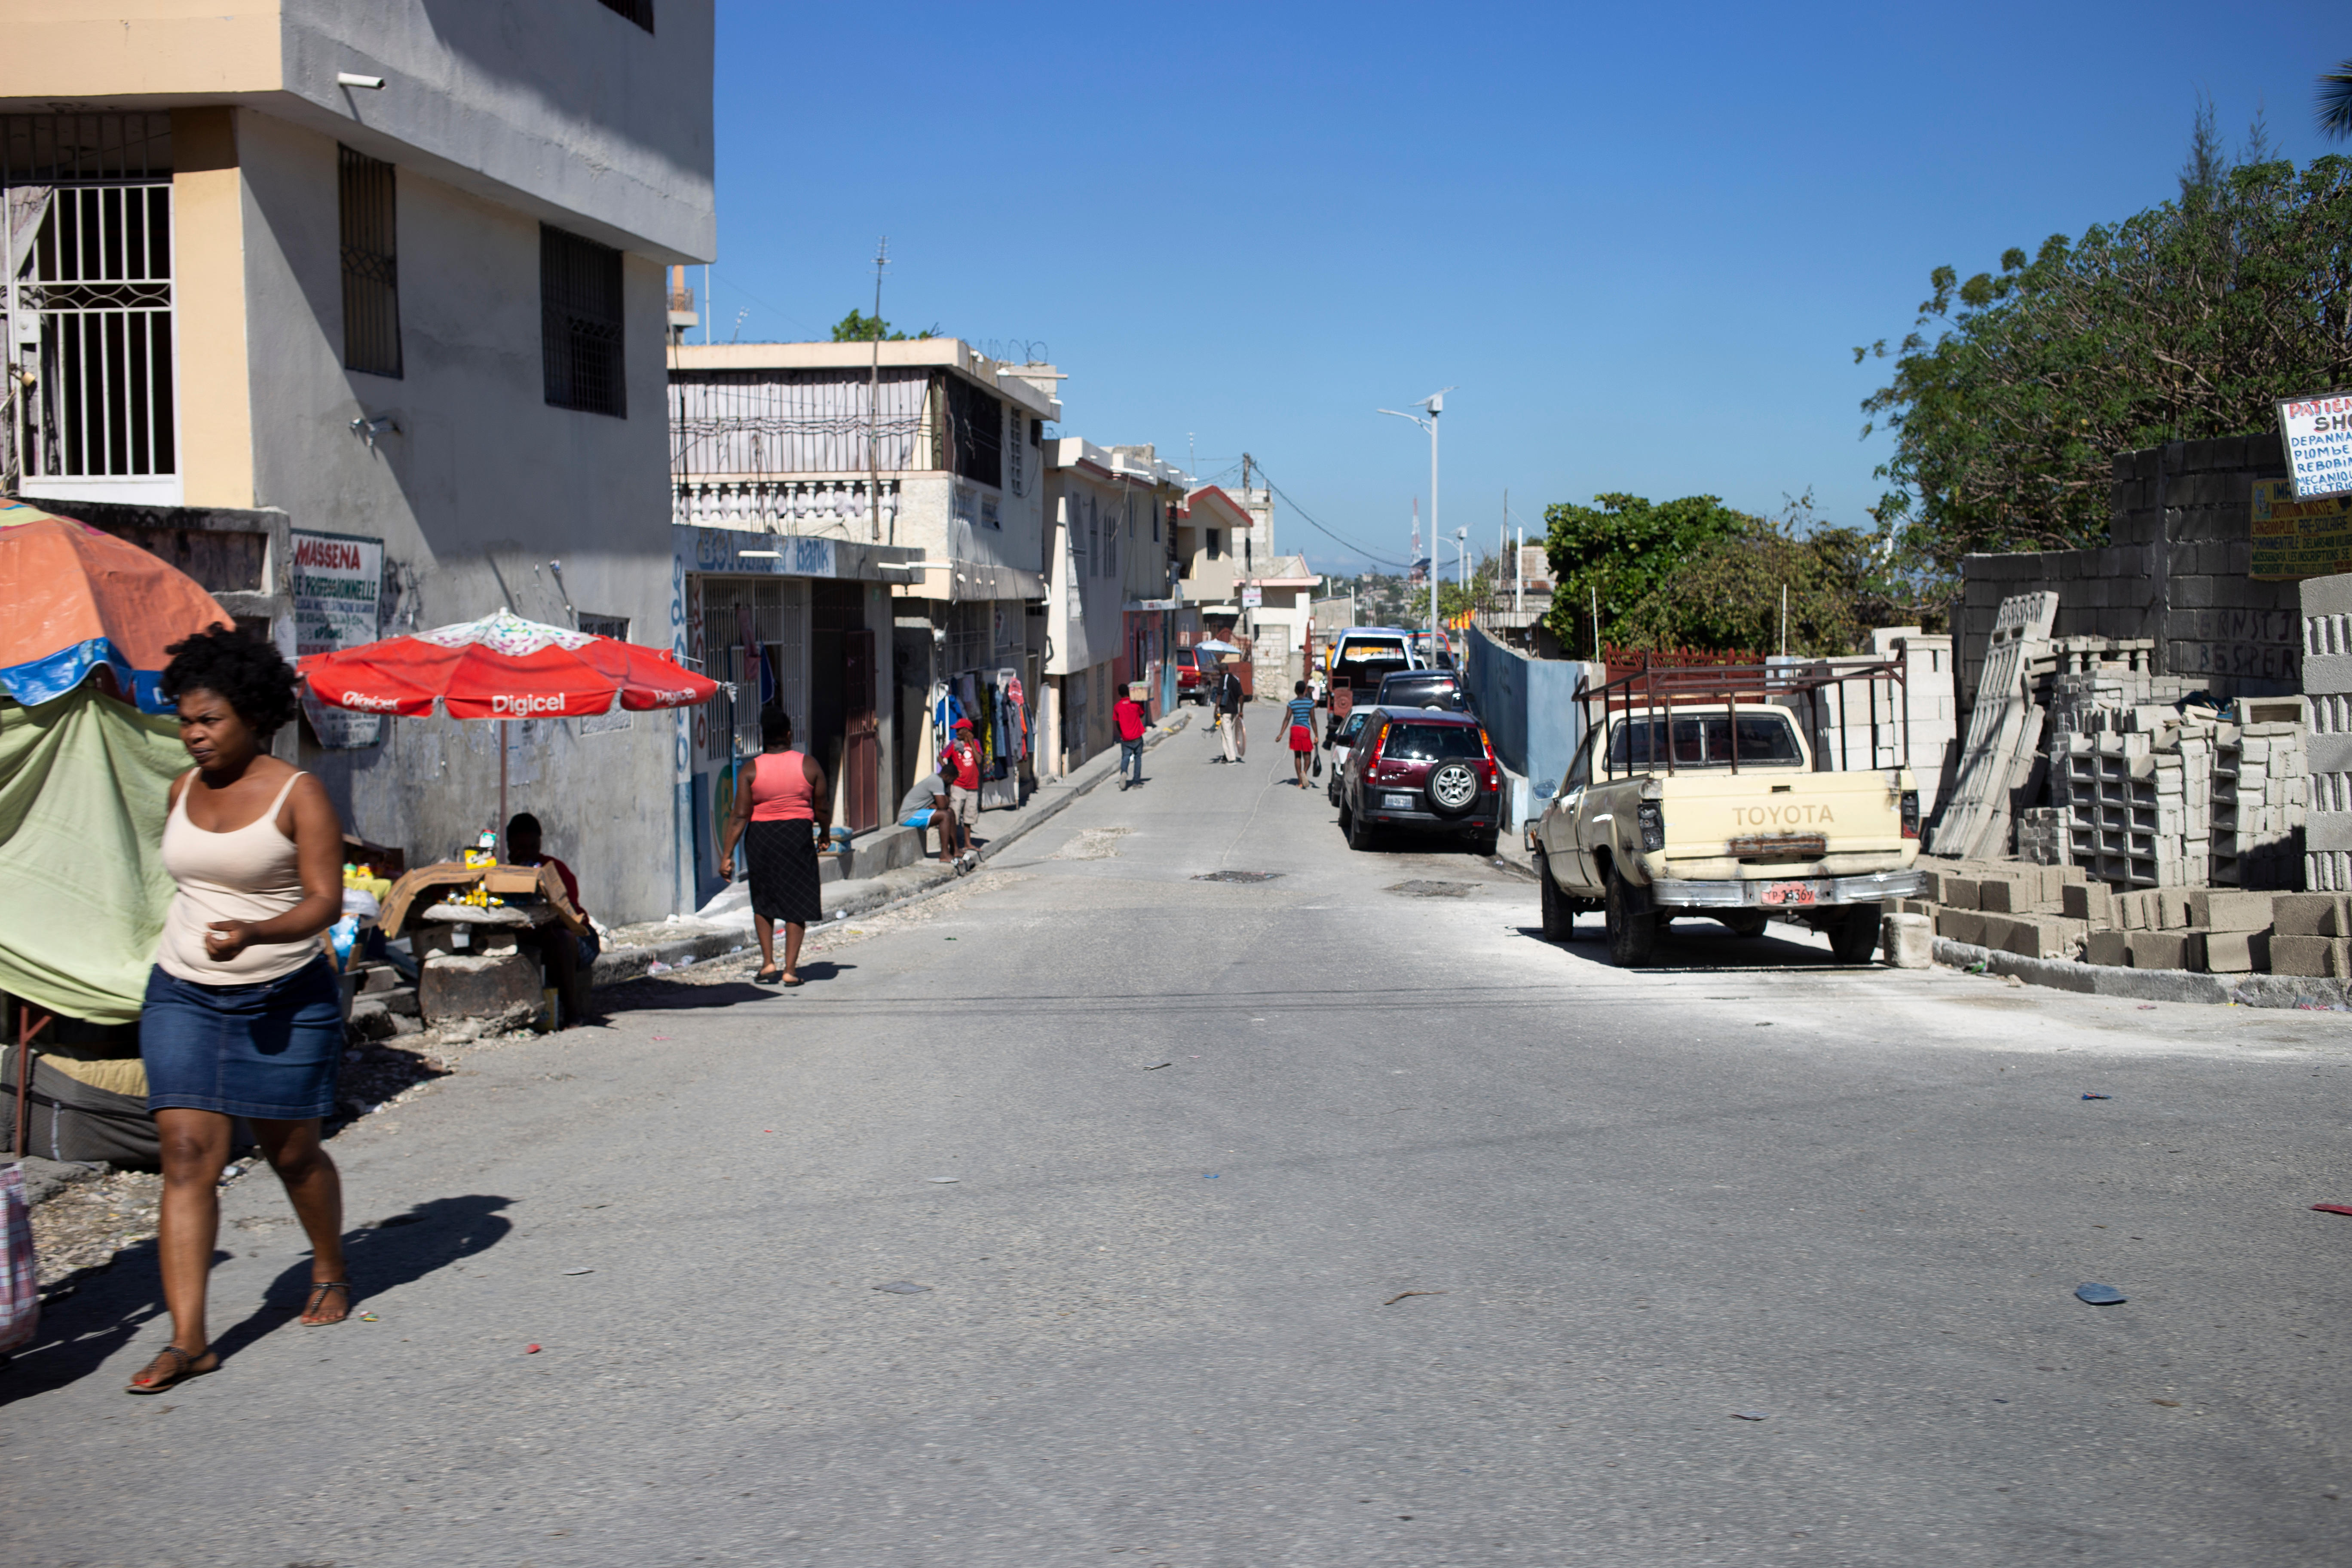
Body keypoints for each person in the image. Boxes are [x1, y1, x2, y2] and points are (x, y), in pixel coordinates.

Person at [129, 628, 352, 1393]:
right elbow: (196, 882)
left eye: (209, 720)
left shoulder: (300, 793)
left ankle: (327, 1264)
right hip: (184, 988)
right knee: (188, 1152)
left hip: (286, 992)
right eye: (185, 720)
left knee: (291, 1152)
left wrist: (256, 930)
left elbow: (324, 900)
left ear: (253, 715)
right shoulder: (179, 792)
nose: (193, 735)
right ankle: (189, 1338)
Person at [717, 708, 830, 986]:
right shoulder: (809, 765)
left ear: (762, 737)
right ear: (789, 734)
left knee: (764, 899)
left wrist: (727, 855)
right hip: (797, 837)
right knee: (797, 900)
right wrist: (824, 833)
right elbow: (822, 807)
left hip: (761, 839)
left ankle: (768, 964)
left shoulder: (751, 769)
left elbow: (740, 815)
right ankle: (790, 970)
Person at [503, 812, 598, 1026]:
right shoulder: (504, 874)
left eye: (532, 847)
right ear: (510, 847)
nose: (528, 853)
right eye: (521, 848)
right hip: (527, 936)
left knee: (560, 939)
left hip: (570, 938)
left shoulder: (554, 870)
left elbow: (570, 913)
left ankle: (573, 1012)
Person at [940, 716, 981, 858]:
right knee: (955, 814)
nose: (957, 733)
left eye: (959, 730)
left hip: (972, 785)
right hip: (958, 785)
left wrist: (971, 743)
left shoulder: (975, 743)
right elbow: (941, 756)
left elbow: (979, 760)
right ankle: (955, 844)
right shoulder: (954, 744)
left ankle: (968, 843)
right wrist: (947, 769)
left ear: (967, 731)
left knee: (970, 816)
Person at [896, 767, 954, 864]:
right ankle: (944, 854)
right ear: (947, 776)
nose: (952, 783)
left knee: (950, 812)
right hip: (907, 816)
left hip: (918, 811)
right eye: (952, 780)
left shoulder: (937, 780)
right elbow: (943, 806)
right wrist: (946, 792)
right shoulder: (937, 782)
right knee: (945, 815)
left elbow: (943, 805)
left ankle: (954, 850)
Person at [1114, 683, 1149, 789]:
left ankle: (1124, 772)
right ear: (1129, 692)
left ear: (1119, 694)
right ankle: (1136, 782)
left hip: (1125, 738)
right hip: (1137, 737)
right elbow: (1142, 714)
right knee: (1138, 758)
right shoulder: (1136, 704)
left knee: (1126, 757)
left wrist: (1122, 733)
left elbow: (1117, 723)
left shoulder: (1117, 707)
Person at [1284, 679, 1317, 788]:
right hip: (1305, 731)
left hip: (1295, 730)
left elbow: (1287, 719)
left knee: (1297, 755)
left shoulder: (1292, 703)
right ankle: (1304, 773)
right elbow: (1313, 720)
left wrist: (1281, 734)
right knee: (1307, 755)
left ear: (1296, 691)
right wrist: (1316, 735)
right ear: (1305, 690)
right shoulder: (1310, 703)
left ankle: (1299, 781)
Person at [1213, 658, 1246, 764]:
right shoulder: (1236, 679)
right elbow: (1241, 696)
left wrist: (1215, 711)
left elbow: (1219, 695)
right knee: (1226, 733)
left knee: (1227, 735)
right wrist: (1241, 711)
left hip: (1226, 712)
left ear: (1222, 670)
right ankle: (1226, 756)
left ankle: (1232, 759)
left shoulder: (1224, 679)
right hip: (1234, 712)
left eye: (1219, 671)